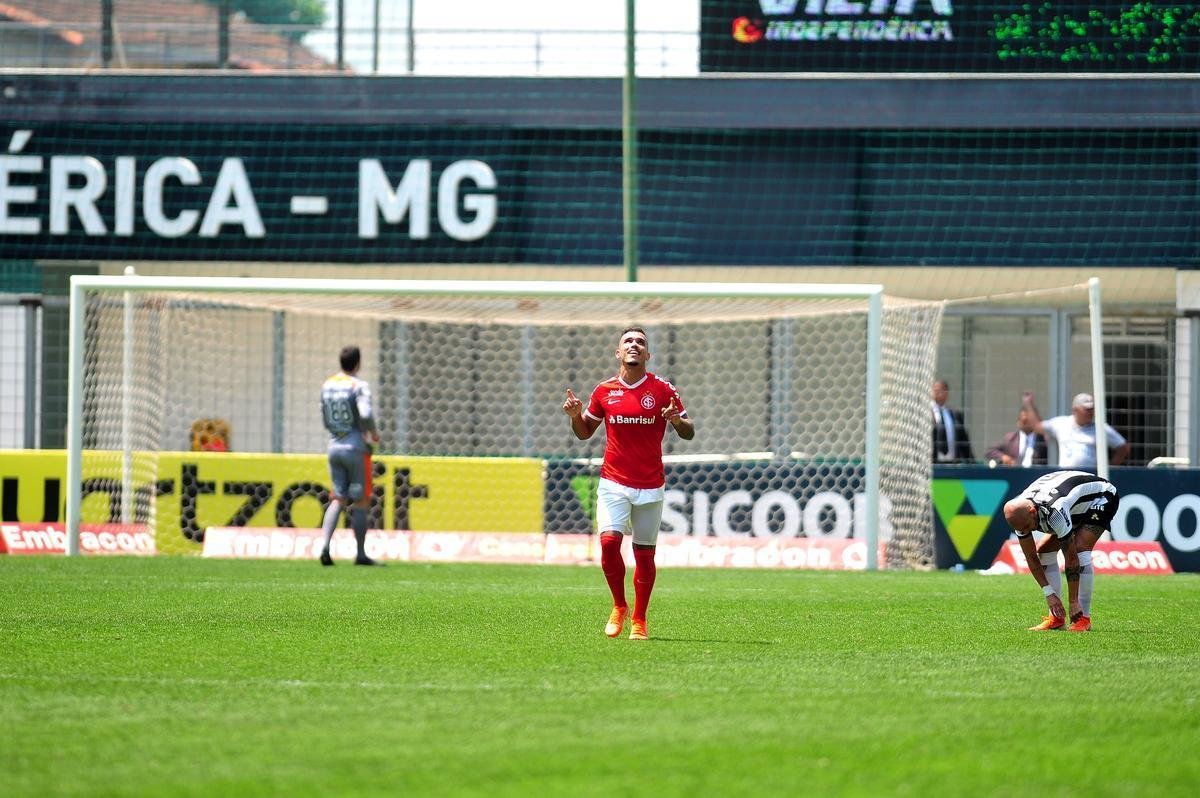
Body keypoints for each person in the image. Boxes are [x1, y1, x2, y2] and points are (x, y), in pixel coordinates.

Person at [562, 327, 694, 641]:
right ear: (618, 352)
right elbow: (584, 432)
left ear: (648, 354)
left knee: (644, 554)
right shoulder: (604, 390)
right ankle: (619, 605)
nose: (634, 345)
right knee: (609, 543)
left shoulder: (662, 389)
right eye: (628, 341)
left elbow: (689, 431)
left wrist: (677, 420)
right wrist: (576, 416)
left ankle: (639, 619)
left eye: (640, 342)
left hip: (650, 484)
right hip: (613, 482)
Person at [1002, 470, 1120, 632]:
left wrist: (1073, 601)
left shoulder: (1055, 511)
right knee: (1044, 551)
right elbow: (1031, 557)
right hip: (1071, 501)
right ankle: (1056, 618)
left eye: (1029, 527)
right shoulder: (1019, 515)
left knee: (1080, 549)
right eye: (1022, 530)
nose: (1028, 531)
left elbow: (1071, 558)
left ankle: (1083, 619)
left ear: (1032, 511)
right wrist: (1049, 593)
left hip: (1101, 496)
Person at [317, 345, 382, 566]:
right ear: (358, 363)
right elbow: (365, 413)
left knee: (338, 498)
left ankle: (325, 546)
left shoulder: (327, 385)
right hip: (355, 447)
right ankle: (361, 554)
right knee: (361, 500)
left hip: (334, 446)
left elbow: (324, 415)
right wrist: (372, 432)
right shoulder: (358, 386)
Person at [1022, 391, 1130, 470]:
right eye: (1086, 409)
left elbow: (1123, 447)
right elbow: (1037, 426)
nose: (1090, 412)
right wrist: (1028, 404)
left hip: (1090, 477)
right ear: (1075, 410)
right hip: (1066, 475)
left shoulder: (1101, 428)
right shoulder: (1062, 424)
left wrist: (1109, 467)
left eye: (1092, 409)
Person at [931, 379, 974, 463]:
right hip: (933, 463)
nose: (938, 393)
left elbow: (964, 441)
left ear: (947, 393)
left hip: (952, 463)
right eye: (935, 390)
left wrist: (972, 463)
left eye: (942, 390)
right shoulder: (926, 413)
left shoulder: (955, 415)